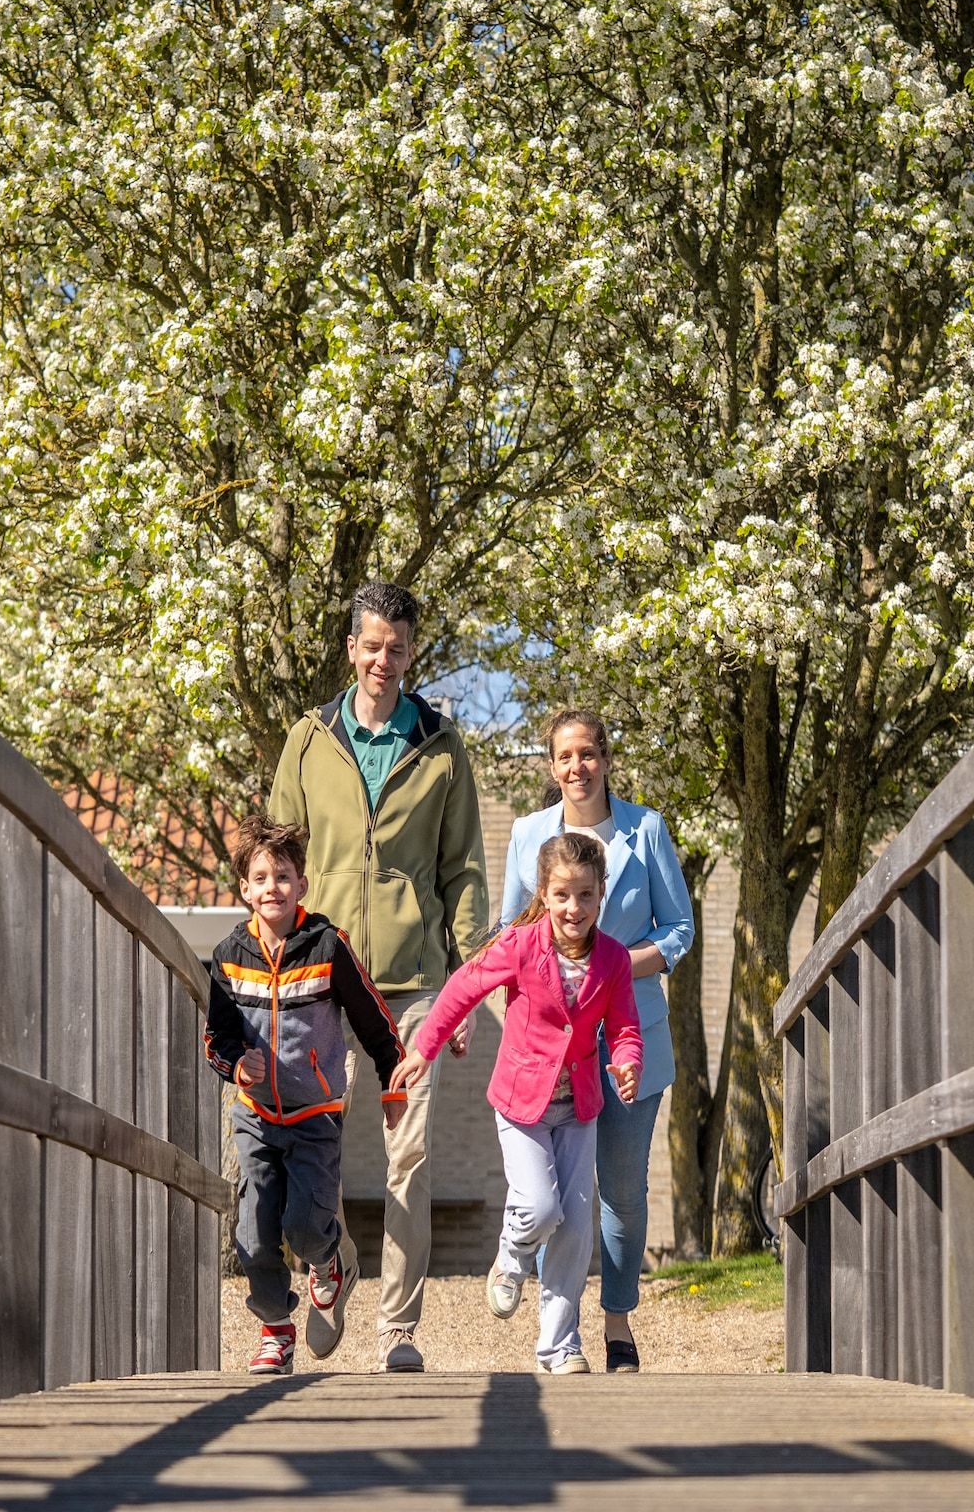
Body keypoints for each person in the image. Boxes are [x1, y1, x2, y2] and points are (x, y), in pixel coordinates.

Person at [269, 581, 491, 1373]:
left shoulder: (440, 743)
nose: (383, 660)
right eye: (371, 645)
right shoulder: (308, 739)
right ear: (351, 648)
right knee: (314, 1147)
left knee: (410, 1155)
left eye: (397, 648)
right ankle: (332, 1268)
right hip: (325, 982)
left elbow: (463, 869)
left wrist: (466, 983)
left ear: (409, 653)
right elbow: (280, 857)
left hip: (414, 985)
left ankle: (398, 1327)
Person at [394, 832, 641, 1375]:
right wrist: (424, 1049)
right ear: (545, 895)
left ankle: (560, 1346)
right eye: (562, 895)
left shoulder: (615, 959)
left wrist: (627, 1063)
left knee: (576, 1227)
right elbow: (462, 988)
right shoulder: (522, 944)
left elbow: (624, 1027)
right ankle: (511, 1256)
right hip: (521, 1102)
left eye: (584, 896)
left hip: (579, 1106)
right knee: (540, 1206)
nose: (573, 908)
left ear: (601, 895)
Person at [499, 708, 694, 1374]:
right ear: (551, 767)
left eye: (588, 754)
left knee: (622, 1190)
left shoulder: (647, 831)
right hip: (555, 1049)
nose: (577, 767)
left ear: (607, 759)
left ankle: (616, 1319)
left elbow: (679, 931)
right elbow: (509, 937)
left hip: (634, 1040)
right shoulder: (527, 835)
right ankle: (564, 1335)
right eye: (564, 757)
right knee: (561, 1193)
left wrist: (613, 962)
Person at [204, 816, 407, 1376]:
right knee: (252, 1232)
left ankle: (330, 1261)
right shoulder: (228, 955)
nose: (273, 887)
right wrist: (235, 1065)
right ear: (244, 887)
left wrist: (393, 1078)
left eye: (284, 876)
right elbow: (215, 1038)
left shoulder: (326, 944)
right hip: (256, 1116)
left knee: (302, 1225)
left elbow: (372, 1018)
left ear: (302, 884)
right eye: (261, 877)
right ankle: (276, 1331)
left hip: (316, 1111)